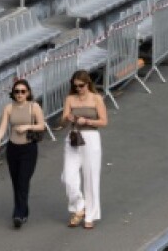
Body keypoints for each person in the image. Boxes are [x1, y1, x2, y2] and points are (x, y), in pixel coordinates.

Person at [0, 78, 44, 229]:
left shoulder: (33, 107)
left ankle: (18, 214)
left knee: (23, 180)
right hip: (13, 148)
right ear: (13, 94)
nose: (20, 94)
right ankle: (23, 210)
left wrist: (27, 126)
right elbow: (2, 127)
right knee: (16, 182)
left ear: (28, 93)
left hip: (28, 148)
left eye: (23, 91)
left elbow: (41, 125)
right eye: (17, 92)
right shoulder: (9, 108)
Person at [61, 70, 108, 230]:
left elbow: (103, 121)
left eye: (81, 86)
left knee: (91, 177)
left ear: (87, 84)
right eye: (75, 86)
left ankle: (91, 215)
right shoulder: (70, 99)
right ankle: (80, 207)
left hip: (90, 137)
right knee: (68, 176)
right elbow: (63, 118)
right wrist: (68, 117)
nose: (78, 89)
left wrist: (86, 120)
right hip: (73, 137)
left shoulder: (96, 98)